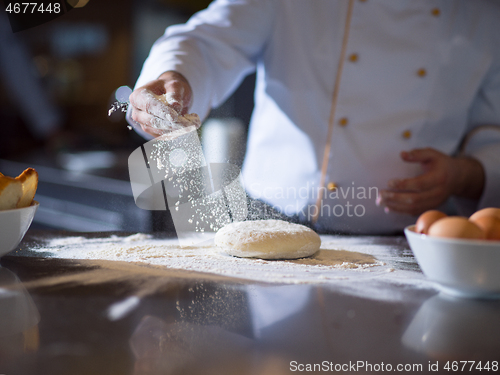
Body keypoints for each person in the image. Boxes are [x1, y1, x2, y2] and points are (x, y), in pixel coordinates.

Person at [128, 0, 500, 234]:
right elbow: (207, 41)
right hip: (267, 221)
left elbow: (493, 132)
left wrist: (465, 175)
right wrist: (172, 78)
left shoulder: (486, 15)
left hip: (407, 240)